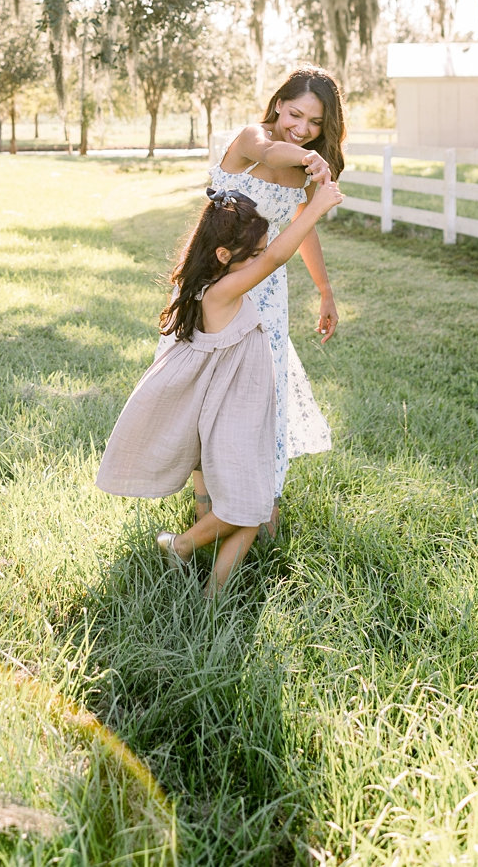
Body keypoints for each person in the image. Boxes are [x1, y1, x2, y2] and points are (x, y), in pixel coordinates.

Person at [96, 176, 344, 595]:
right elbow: (278, 259)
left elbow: (268, 259)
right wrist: (316, 207)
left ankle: (213, 595)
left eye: (262, 251)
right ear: (224, 255)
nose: (261, 260)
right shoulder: (220, 293)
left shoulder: (209, 283)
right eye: (255, 255)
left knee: (253, 506)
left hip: (244, 408)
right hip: (232, 414)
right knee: (245, 506)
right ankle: (181, 545)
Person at [205, 65, 347, 535]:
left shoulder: (303, 170)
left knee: (261, 393)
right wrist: (310, 161)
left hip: (268, 296)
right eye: (295, 114)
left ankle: (259, 495)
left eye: (314, 125)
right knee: (209, 387)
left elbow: (303, 234)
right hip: (219, 287)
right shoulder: (253, 140)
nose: (301, 129)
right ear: (279, 103)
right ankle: (208, 499)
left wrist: (325, 291)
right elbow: (270, 149)